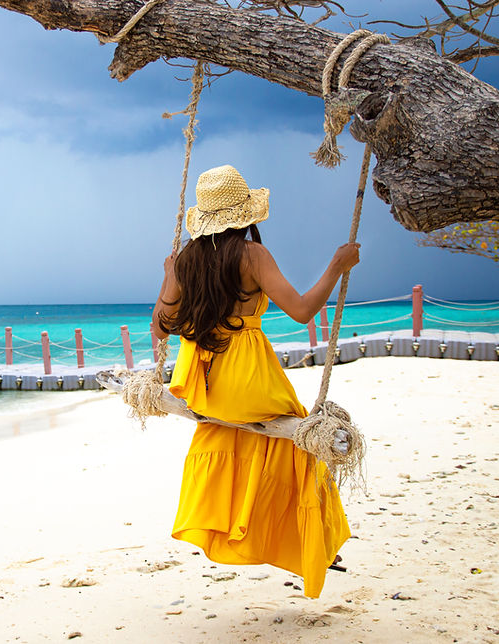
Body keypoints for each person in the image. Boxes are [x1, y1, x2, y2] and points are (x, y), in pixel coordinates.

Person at [151, 164, 360, 599]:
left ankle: (245, 529)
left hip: (204, 386)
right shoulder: (251, 256)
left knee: (239, 438)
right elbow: (302, 311)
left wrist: (170, 279)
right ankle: (313, 544)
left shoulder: (187, 261)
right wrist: (336, 267)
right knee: (303, 445)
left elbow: (161, 328)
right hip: (247, 380)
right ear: (243, 214)